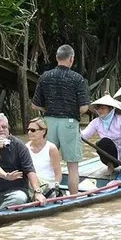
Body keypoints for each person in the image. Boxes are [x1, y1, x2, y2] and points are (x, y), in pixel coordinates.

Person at [32, 44, 90, 195]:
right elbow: (84, 107)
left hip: (48, 122)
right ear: (71, 59)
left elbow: (35, 105)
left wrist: (49, 110)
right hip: (69, 123)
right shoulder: (77, 78)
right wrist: (71, 111)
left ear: (57, 58)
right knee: (72, 166)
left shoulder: (45, 76)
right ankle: (73, 199)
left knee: (47, 161)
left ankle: (42, 193)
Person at [0, 111, 46, 211]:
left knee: (19, 198)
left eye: (4, 127)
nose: (1, 130)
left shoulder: (18, 145)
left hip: (14, 192)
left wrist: (37, 192)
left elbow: (30, 170)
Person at [80, 95, 121, 176]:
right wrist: (75, 130)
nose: (100, 111)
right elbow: (84, 136)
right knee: (103, 142)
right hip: (111, 155)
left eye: (103, 108)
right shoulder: (96, 122)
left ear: (110, 109)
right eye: (98, 108)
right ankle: (110, 166)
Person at [25, 117, 62, 197]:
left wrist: (55, 187)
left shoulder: (51, 148)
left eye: (33, 130)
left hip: (46, 184)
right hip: (31, 181)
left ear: (43, 131)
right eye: (28, 130)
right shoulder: (25, 148)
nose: (29, 132)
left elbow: (58, 174)